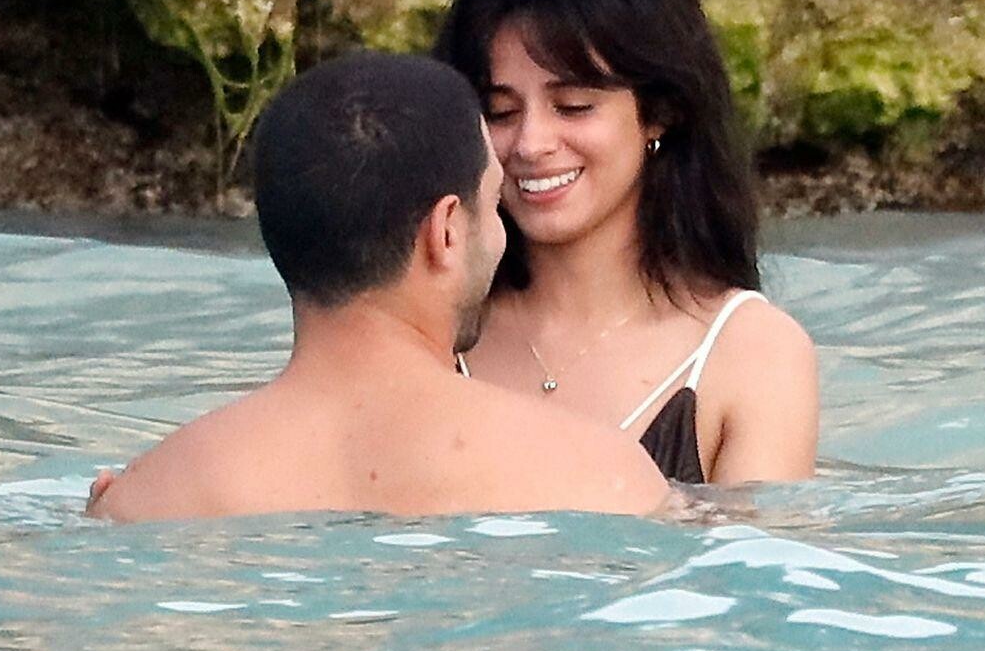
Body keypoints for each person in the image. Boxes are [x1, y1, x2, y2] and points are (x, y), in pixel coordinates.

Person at [87, 52, 670, 522]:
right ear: (445, 231)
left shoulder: (143, 500)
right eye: (492, 202)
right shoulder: (603, 480)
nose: (502, 233)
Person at [435, 0, 819, 485]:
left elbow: (760, 544)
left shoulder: (751, 354)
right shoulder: (426, 339)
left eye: (573, 107)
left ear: (659, 113)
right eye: (501, 112)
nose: (532, 144)